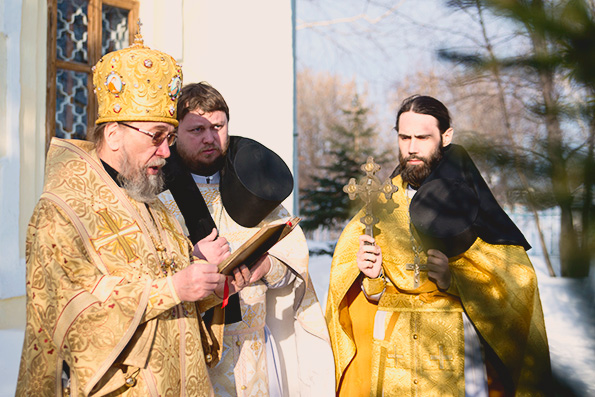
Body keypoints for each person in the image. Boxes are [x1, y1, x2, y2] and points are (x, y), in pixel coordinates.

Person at [15, 34, 242, 396]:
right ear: (115, 133)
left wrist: (208, 282)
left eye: (169, 137)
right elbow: (65, 319)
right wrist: (170, 289)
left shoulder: (149, 201)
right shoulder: (62, 210)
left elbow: (175, 288)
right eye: (157, 136)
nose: (167, 152)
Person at [325, 95, 551, 396]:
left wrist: (454, 280)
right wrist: (370, 277)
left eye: (423, 137)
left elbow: (516, 283)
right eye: (404, 137)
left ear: (446, 136)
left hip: (453, 350)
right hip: (394, 354)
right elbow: (353, 291)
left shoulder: (469, 204)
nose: (412, 148)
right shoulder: (379, 206)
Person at [159, 82, 335, 396]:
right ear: (174, 135)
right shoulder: (157, 199)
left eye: (218, 126)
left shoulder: (253, 189)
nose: (210, 138)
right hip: (193, 358)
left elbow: (295, 262)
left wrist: (268, 267)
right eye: (197, 129)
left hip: (256, 355)